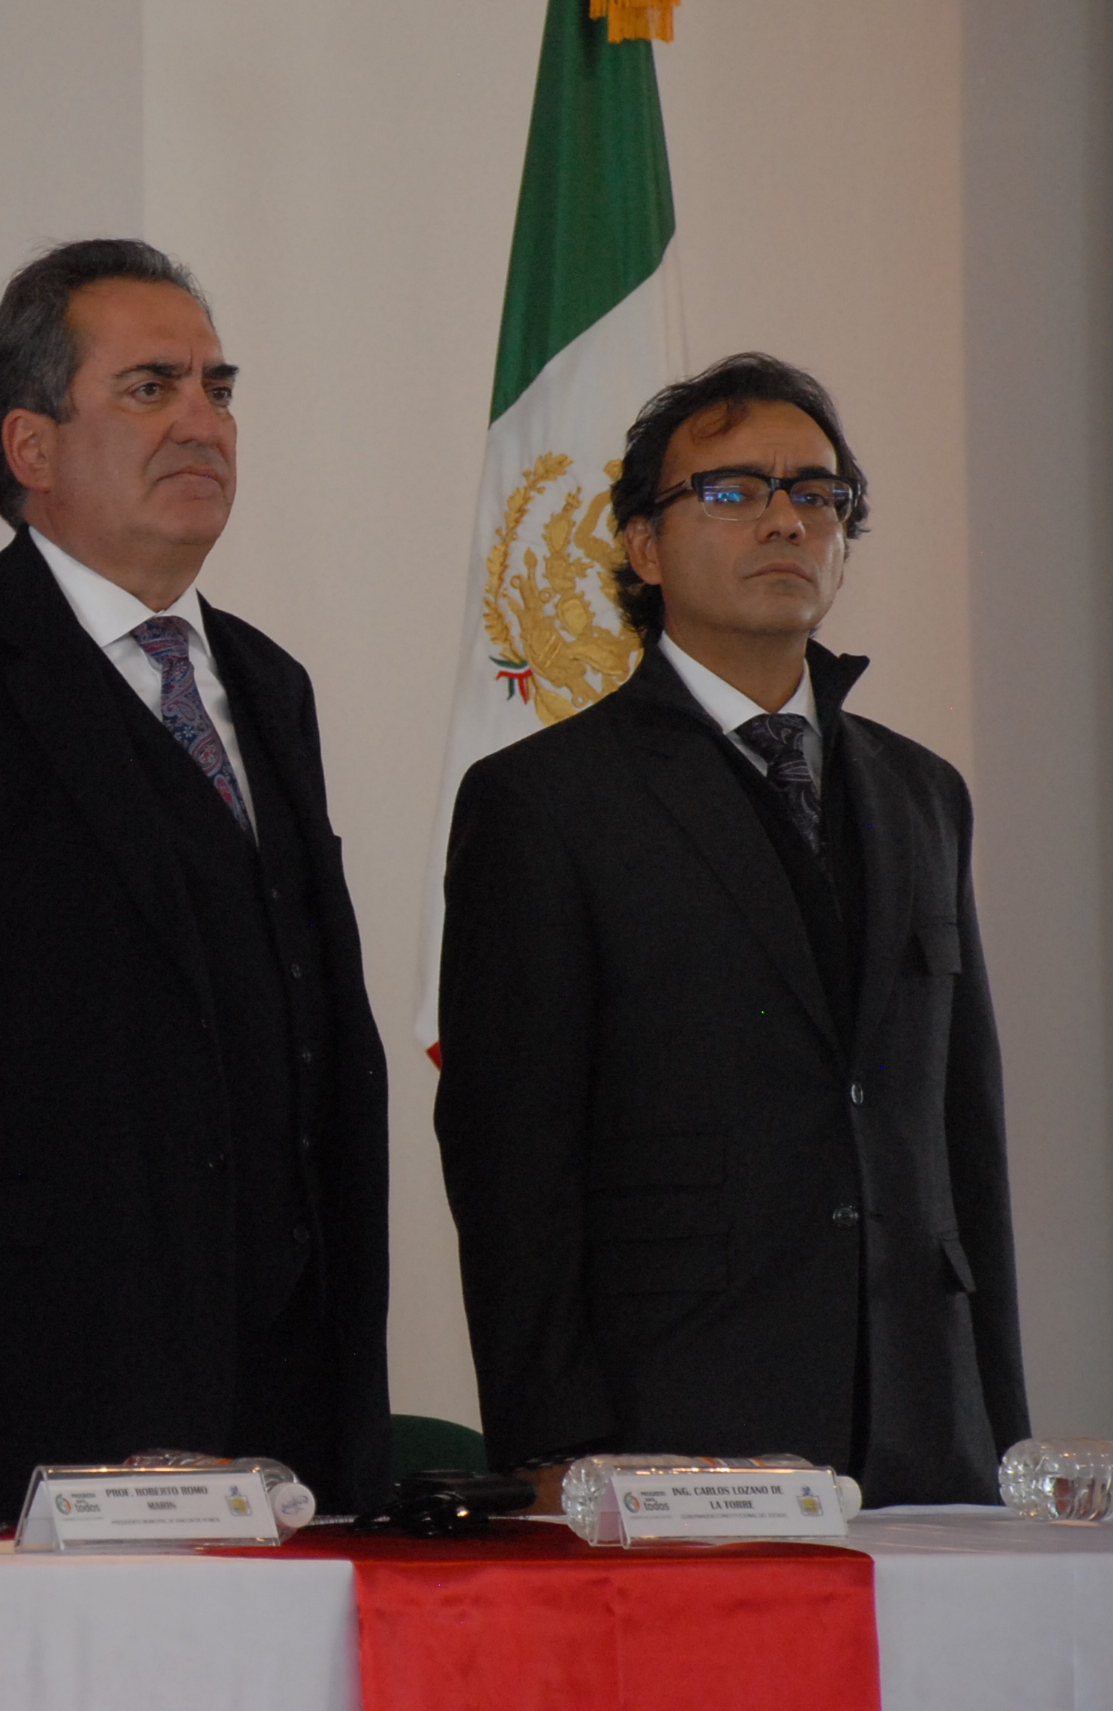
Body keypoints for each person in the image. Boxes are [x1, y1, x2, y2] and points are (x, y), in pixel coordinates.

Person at [0, 239, 393, 1528]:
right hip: (10, 1382)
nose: (202, 422)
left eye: (218, 388)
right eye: (150, 387)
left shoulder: (267, 684)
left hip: (279, 1395)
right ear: (31, 445)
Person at [436, 353, 1029, 1507]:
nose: (783, 519)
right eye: (731, 490)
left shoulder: (922, 794)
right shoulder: (545, 802)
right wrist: (551, 1445)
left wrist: (1001, 1432)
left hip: (924, 1430)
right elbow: (513, 1164)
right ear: (642, 547)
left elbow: (964, 1138)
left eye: (816, 493)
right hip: (676, 1422)